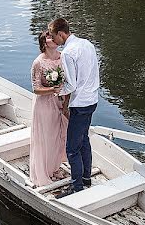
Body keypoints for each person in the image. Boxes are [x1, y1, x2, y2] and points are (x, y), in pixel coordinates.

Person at [49, 17, 100, 194]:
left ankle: (76, 186)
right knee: (84, 140)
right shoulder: (87, 44)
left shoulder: (68, 53)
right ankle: (86, 178)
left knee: (72, 148)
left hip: (80, 104)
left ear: (61, 34)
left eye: (54, 37)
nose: (53, 41)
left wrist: (56, 92)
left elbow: (71, 85)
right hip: (92, 99)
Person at [29, 30, 68, 187]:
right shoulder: (38, 62)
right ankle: (43, 171)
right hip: (44, 105)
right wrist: (53, 90)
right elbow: (36, 89)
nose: (53, 38)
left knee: (58, 135)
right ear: (44, 43)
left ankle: (55, 167)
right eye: (49, 37)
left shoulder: (62, 57)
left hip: (60, 102)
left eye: (53, 35)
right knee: (45, 138)